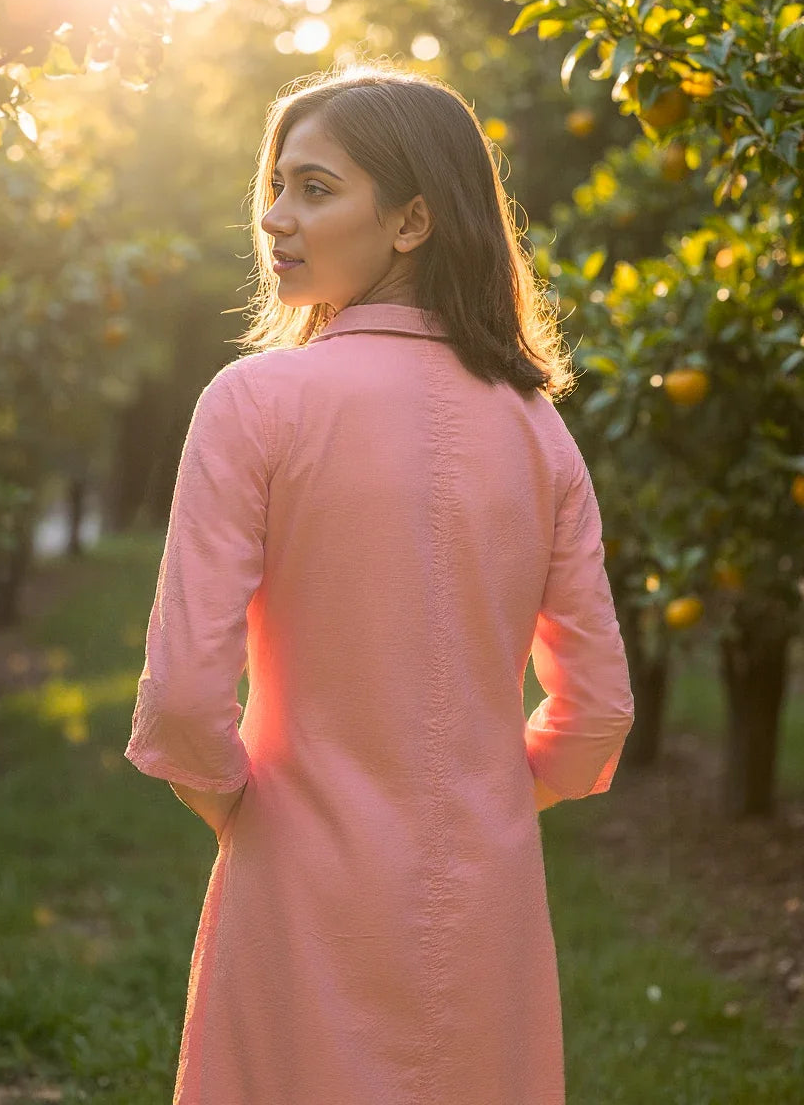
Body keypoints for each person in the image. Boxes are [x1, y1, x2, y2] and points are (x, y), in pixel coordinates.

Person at [124, 59, 634, 1105]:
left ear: (409, 221)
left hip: (297, 884)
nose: (274, 218)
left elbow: (181, 703)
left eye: (314, 189)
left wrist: (246, 814)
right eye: (273, 186)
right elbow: (596, 719)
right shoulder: (539, 432)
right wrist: (485, 800)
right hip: (482, 900)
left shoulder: (253, 405)